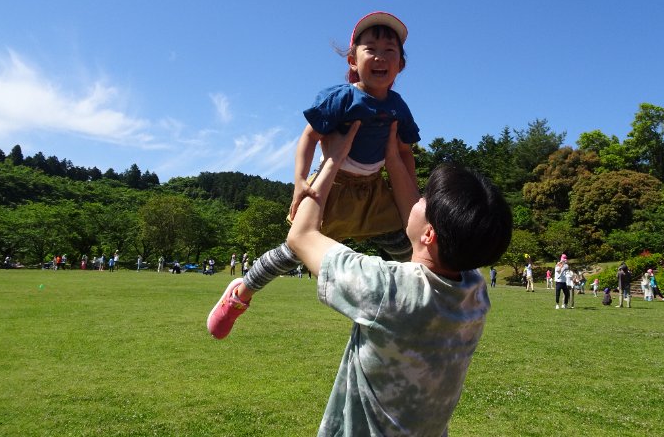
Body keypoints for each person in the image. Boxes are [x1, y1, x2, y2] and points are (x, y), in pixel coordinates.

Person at [209, 120, 512, 435]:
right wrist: (394, 159)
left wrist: (333, 161)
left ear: (430, 234)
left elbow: (301, 236)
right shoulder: (473, 289)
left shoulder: (389, 290)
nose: (415, 199)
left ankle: (239, 295)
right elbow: (418, 226)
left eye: (423, 199)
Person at [208, 12, 420, 329]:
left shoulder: (399, 107)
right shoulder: (342, 97)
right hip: (333, 186)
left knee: (409, 245)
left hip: (373, 191)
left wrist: (414, 201)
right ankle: (241, 292)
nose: (380, 57)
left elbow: (404, 153)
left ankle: (419, 304)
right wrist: (298, 182)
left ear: (400, 65)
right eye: (370, 48)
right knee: (292, 251)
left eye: (390, 51)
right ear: (352, 60)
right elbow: (309, 136)